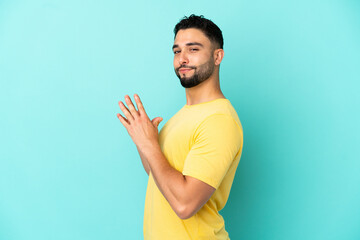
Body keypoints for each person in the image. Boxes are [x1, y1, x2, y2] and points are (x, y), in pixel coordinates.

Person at [117, 14, 243, 240]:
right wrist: (144, 142)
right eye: (177, 51)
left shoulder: (219, 120)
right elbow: (160, 175)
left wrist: (150, 146)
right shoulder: (181, 116)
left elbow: (184, 204)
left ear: (217, 56)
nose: (182, 59)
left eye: (193, 49)